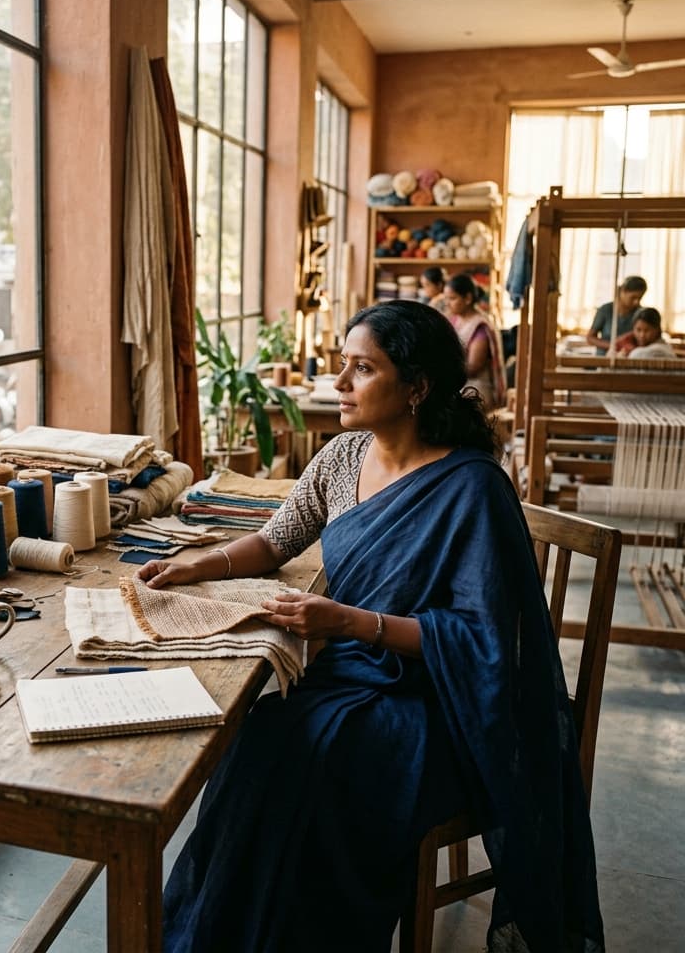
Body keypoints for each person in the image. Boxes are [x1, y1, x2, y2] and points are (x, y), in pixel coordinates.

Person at [140, 300, 604, 952]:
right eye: (342, 365)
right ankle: (211, 936)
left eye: (362, 368)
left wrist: (348, 621)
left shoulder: (473, 489)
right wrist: (197, 565)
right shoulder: (342, 456)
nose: (339, 384)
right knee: (257, 737)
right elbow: (275, 542)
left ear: (416, 387)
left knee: (324, 769)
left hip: (434, 703)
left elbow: (484, 646)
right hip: (344, 675)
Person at [442, 273, 506, 409]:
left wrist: (440, 369)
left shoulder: (479, 326)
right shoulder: (453, 319)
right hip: (456, 383)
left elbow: (473, 368)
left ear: (468, 298)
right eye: (446, 298)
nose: (447, 303)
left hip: (475, 389)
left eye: (452, 298)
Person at [586, 275, 647, 353]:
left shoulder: (640, 313)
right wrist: (614, 345)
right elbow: (590, 338)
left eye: (640, 298)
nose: (637, 302)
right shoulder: (605, 310)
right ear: (622, 292)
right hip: (605, 358)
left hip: (629, 357)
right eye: (633, 297)